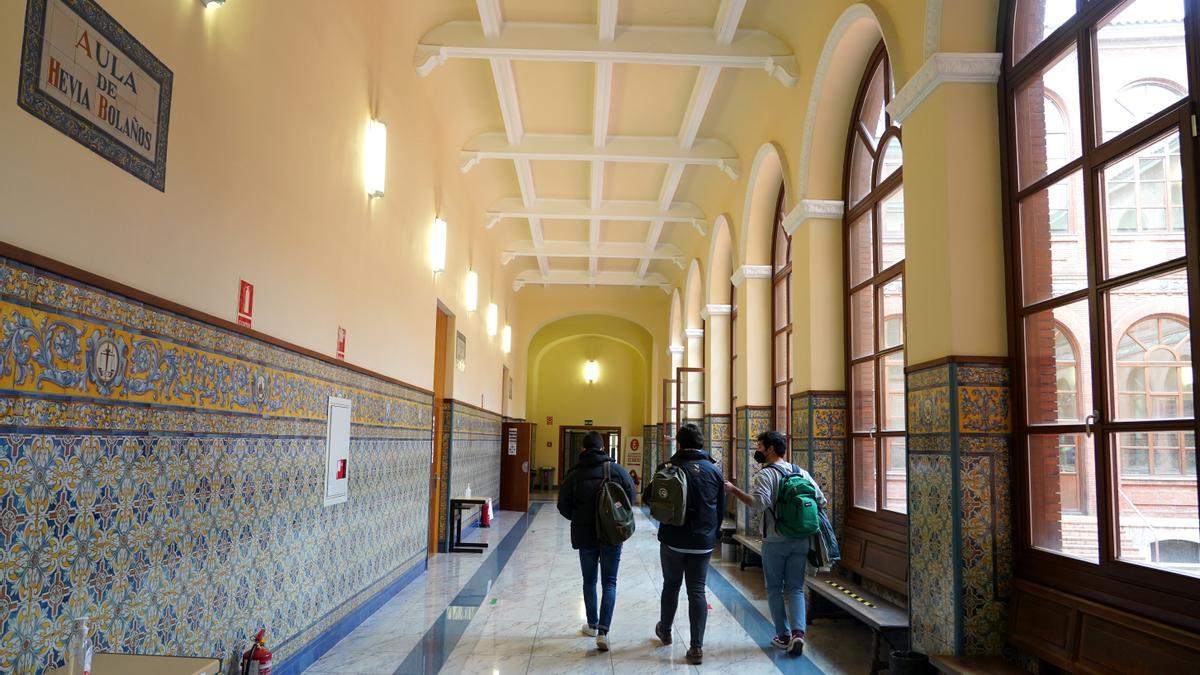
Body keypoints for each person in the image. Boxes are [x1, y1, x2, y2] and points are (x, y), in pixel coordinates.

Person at [725, 430, 826, 656]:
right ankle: (798, 634)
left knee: (774, 589)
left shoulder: (765, 475)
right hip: (801, 539)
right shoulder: (800, 471)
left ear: (770, 449)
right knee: (796, 588)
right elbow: (821, 500)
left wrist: (733, 490)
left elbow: (758, 504)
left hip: (775, 540)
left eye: (760, 446)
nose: (757, 451)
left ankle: (783, 636)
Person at [644, 423, 725, 665]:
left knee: (671, 585)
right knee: (697, 590)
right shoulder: (714, 470)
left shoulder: (668, 467)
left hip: (672, 539)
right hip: (703, 542)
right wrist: (711, 534)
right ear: (701, 444)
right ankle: (696, 647)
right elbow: (720, 509)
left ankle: (666, 630)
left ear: (678, 444)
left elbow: (649, 497)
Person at [556, 431, 635, 652]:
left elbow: (563, 506)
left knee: (589, 580)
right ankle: (603, 631)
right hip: (611, 535)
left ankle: (591, 624)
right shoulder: (617, 470)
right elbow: (631, 496)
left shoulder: (574, 474)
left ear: (583, 449)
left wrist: (580, 518)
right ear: (603, 449)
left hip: (585, 536)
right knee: (609, 582)